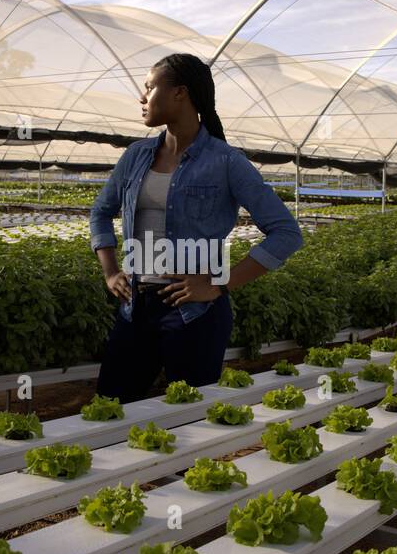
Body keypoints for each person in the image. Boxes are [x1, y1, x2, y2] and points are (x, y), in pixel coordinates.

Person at [88, 53, 304, 404]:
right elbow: (100, 212)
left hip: (195, 314)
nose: (142, 99)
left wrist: (218, 284)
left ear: (180, 93)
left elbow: (286, 233)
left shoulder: (226, 161)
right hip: (136, 307)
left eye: (149, 88)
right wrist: (111, 271)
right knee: (112, 408)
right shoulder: (136, 155)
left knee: (191, 419)